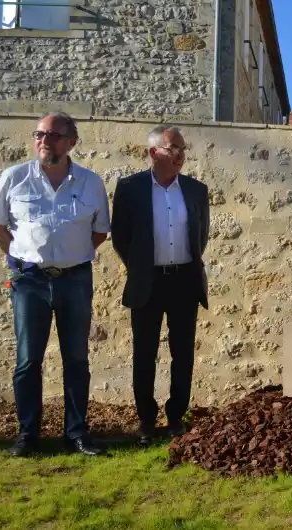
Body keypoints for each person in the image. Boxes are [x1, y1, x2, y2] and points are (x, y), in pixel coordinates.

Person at [0, 112, 109, 457]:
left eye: (53, 135)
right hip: (29, 282)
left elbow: (100, 231)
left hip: (75, 280)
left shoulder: (90, 183)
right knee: (28, 361)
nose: (44, 141)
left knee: (77, 359)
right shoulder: (15, 177)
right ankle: (28, 434)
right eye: (39, 134)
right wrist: (22, 259)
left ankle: (76, 433)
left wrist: (70, 257)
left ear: (71, 142)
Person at [111, 125, 210, 446]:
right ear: (154, 152)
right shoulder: (130, 188)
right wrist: (140, 266)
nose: (180, 155)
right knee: (145, 353)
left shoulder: (196, 190)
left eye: (183, 149)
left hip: (184, 280)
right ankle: (146, 419)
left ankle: (176, 416)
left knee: (183, 353)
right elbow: (120, 237)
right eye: (173, 148)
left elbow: (201, 236)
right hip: (147, 281)